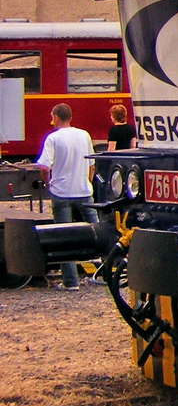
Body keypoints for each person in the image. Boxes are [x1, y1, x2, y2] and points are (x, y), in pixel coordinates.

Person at [36, 103, 98, 290]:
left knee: (65, 236)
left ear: (56, 117)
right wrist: (87, 182)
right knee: (97, 231)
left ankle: (71, 282)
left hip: (61, 191)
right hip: (84, 191)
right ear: (70, 116)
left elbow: (44, 167)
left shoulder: (53, 138)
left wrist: (48, 183)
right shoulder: (84, 135)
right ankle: (105, 273)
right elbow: (92, 165)